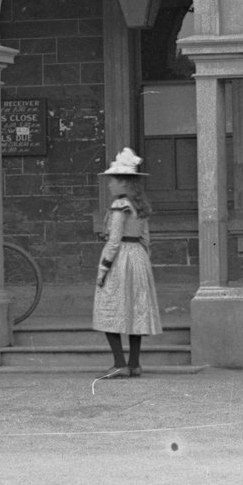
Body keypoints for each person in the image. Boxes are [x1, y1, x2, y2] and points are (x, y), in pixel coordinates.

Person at [94, 148, 161, 376]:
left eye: (113, 180)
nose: (110, 185)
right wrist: (142, 262)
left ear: (124, 183)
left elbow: (113, 241)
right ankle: (134, 363)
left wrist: (104, 268)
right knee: (134, 309)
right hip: (138, 257)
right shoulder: (139, 205)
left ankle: (119, 363)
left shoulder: (119, 205)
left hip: (121, 257)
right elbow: (146, 239)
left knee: (109, 307)